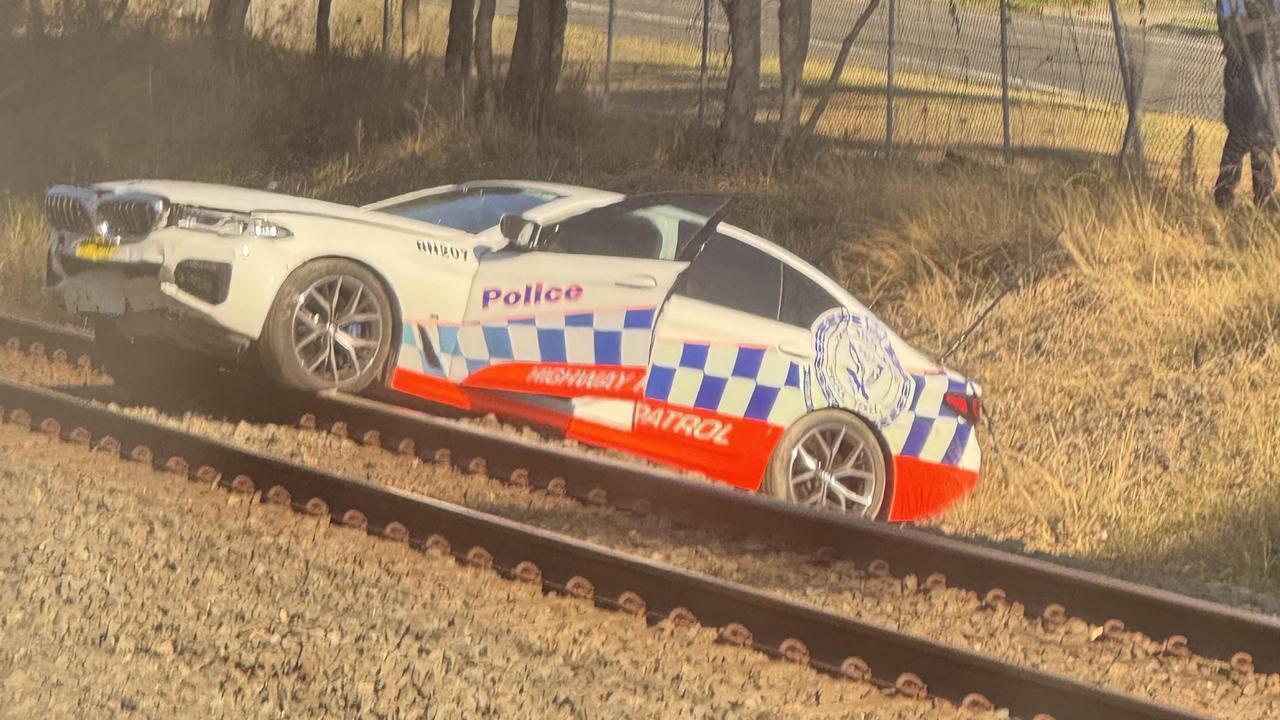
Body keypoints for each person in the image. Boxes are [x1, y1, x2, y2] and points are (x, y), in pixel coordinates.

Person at [1215, 0, 1279, 208]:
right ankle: (1223, 196)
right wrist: (1268, 24)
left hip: (1271, 68)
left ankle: (1265, 198)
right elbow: (1235, 28)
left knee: (1266, 133)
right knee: (1242, 132)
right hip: (1242, 70)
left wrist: (1266, 23)